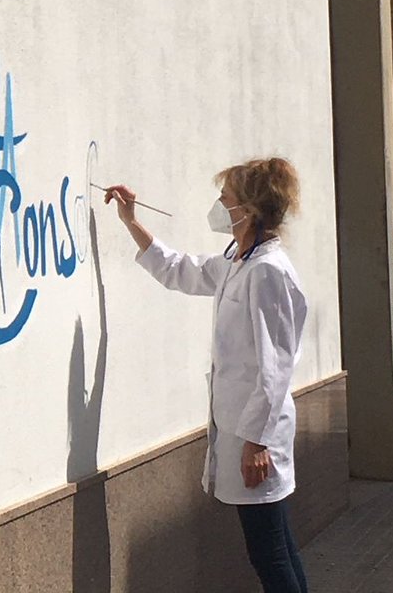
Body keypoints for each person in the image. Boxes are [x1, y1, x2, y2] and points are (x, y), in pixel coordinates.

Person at [105, 159, 309, 593]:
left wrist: (256, 441)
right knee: (276, 545)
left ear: (247, 210)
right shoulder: (239, 261)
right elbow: (182, 270)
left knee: (270, 553)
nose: (219, 204)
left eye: (226, 197)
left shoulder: (268, 271)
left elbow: (275, 367)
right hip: (242, 432)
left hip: (256, 439)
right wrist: (131, 222)